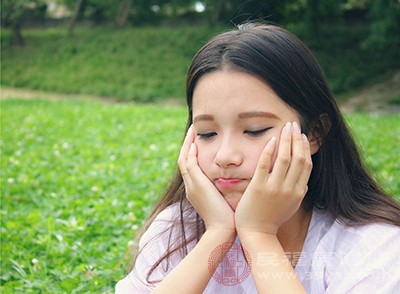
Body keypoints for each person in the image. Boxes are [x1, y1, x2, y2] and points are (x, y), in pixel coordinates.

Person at [116, 23, 400, 293]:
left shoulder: (372, 245)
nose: (225, 156)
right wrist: (217, 234)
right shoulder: (176, 230)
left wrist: (259, 234)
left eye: (255, 130)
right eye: (206, 133)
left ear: (314, 134)